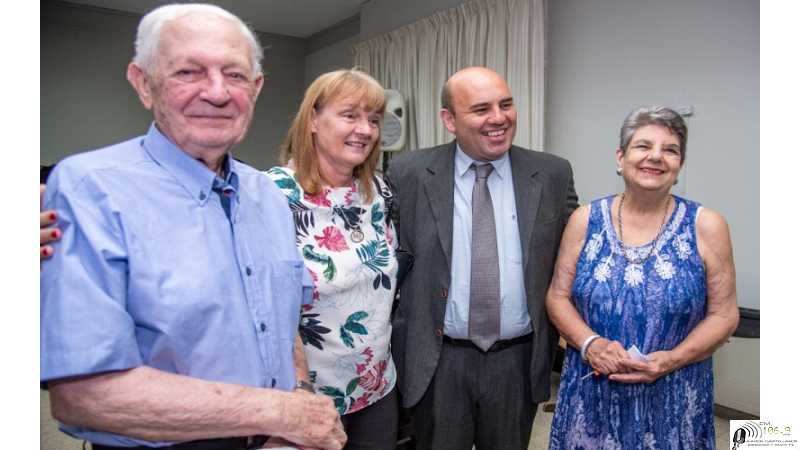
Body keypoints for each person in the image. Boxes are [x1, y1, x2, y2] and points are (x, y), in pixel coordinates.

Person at [40, 4, 346, 450]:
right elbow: (83, 395)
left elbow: (280, 323)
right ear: (144, 84)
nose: (218, 92)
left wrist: (295, 401)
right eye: (188, 72)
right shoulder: (89, 189)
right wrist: (282, 412)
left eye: (236, 75)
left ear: (256, 88)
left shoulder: (268, 194)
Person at [387, 66, 579, 450]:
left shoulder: (553, 173)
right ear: (449, 120)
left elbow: (576, 255)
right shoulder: (407, 173)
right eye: (481, 109)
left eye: (505, 104)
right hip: (438, 360)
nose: (498, 118)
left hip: (517, 361)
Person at [545, 106, 739, 449]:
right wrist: (592, 344)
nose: (656, 157)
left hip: (675, 399)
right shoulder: (583, 220)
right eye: (643, 146)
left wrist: (672, 359)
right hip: (591, 399)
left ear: (679, 166)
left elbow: (724, 314)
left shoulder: (707, 226)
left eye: (671, 149)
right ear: (620, 157)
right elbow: (557, 297)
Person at [264, 69, 399, 450]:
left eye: (373, 119)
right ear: (312, 120)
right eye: (350, 115)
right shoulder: (272, 193)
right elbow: (265, 305)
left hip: (377, 390)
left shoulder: (378, 193)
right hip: (304, 397)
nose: (366, 129)